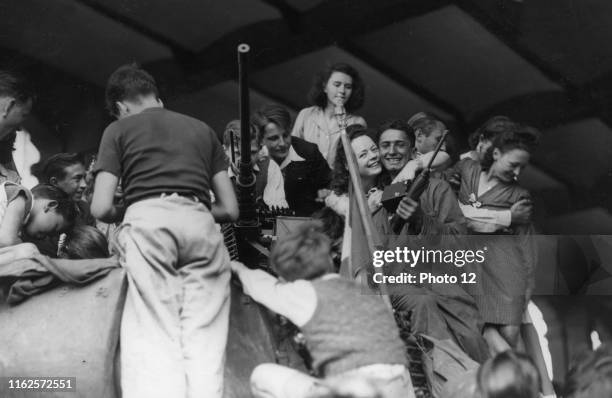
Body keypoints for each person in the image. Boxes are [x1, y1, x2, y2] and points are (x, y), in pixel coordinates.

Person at [91, 63, 238, 398]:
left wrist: (129, 207)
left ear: (121, 107)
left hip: (148, 225)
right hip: (200, 225)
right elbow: (230, 209)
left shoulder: (118, 131)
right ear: (155, 95)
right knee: (205, 342)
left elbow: (100, 208)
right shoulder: (202, 130)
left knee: (154, 336)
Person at [231, 221, 414, 398]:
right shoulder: (359, 290)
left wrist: (237, 268)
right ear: (327, 261)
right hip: (399, 384)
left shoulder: (304, 293)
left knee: (262, 376)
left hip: (356, 389)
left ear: (287, 277)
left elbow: (262, 286)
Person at [375, 120, 489, 363]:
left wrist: (421, 221)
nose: (392, 151)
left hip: (439, 283)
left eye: (399, 145)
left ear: (413, 151)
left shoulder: (437, 189)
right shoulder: (373, 194)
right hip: (393, 282)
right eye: (385, 145)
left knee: (472, 338)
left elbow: (458, 244)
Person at [444, 125, 540, 353]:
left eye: (522, 168)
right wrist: (504, 218)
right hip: (467, 265)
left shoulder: (519, 196)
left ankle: (517, 381)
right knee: (483, 334)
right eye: (513, 164)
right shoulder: (467, 168)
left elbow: (527, 251)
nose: (517, 173)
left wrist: (524, 295)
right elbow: (443, 206)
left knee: (508, 335)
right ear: (496, 154)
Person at [253, 104, 330, 216]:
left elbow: (331, 184)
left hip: (304, 225)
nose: (282, 143)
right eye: (274, 138)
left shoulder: (309, 152)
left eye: (285, 135)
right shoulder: (252, 158)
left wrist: (326, 193)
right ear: (259, 139)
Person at [292, 63, 367, 167]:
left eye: (348, 87)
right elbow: (292, 152)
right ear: (324, 87)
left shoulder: (357, 122)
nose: (342, 91)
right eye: (337, 85)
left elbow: (358, 162)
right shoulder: (306, 114)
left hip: (337, 182)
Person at [222, 119, 288, 209]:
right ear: (225, 150)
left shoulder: (270, 168)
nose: (244, 160)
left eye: (252, 152)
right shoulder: (215, 171)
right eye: (237, 153)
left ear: (260, 149)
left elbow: (277, 208)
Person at [0, 183, 76, 247]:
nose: (44, 237)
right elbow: (6, 242)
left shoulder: (22, 223)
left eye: (49, 236)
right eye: (54, 228)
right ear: (51, 206)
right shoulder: (22, 196)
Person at [0, 70, 34, 183]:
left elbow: (15, 185)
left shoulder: (5, 144)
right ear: (9, 107)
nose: (19, 128)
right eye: (23, 115)